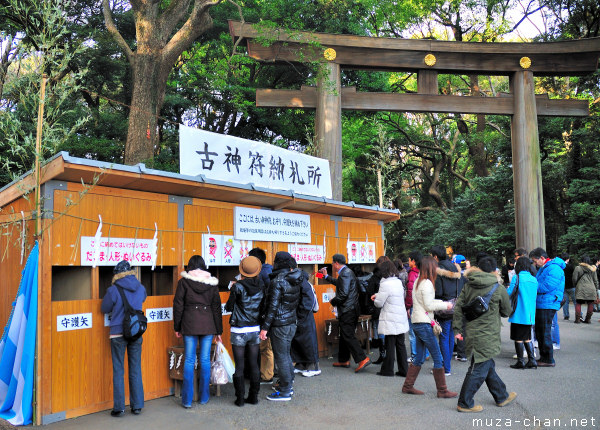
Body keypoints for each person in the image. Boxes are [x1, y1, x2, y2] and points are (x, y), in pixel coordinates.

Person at [453, 256, 516, 413]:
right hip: (488, 333)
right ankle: (465, 402)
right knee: (479, 367)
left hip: (471, 332)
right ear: (495, 270)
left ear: (478, 269)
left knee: (486, 363)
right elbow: (506, 311)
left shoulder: (468, 286)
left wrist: (457, 330)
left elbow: (458, 308)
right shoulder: (498, 288)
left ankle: (501, 396)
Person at [402, 256, 457, 398]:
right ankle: (442, 390)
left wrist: (440, 302)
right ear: (431, 268)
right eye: (435, 266)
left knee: (419, 357)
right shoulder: (427, 283)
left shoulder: (418, 281)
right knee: (438, 357)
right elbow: (429, 305)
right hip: (423, 323)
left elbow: (426, 302)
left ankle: (408, 386)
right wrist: (446, 304)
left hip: (418, 322)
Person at [173, 255, 222, 408]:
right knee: (206, 360)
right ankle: (204, 398)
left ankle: (187, 401)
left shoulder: (183, 282)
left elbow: (178, 305)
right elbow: (216, 308)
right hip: (208, 325)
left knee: (189, 360)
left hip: (189, 325)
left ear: (190, 266)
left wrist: (177, 326)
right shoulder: (212, 283)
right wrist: (218, 330)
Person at [101, 260, 147, 417]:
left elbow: (104, 308)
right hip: (135, 332)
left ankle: (119, 408)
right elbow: (143, 299)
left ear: (116, 274)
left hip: (118, 334)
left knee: (118, 370)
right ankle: (137, 406)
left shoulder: (113, 290)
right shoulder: (140, 288)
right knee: (135, 369)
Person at [259, 252, 302, 402]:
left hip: (280, 325)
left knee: (281, 356)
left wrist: (265, 327)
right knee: (286, 354)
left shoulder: (277, 281)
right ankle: (288, 384)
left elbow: (273, 307)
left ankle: (285, 391)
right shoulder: (295, 278)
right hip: (291, 322)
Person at [320, 254, 371, 373]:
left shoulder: (345, 274)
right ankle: (343, 360)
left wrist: (333, 301)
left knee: (348, 334)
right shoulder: (347, 272)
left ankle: (362, 359)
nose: (332, 265)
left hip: (348, 309)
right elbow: (339, 283)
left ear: (337, 263)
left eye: (333, 263)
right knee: (344, 334)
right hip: (351, 309)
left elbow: (343, 294)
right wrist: (325, 276)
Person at [225, 256, 264, 406]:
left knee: (239, 365)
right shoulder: (261, 286)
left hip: (238, 330)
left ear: (243, 272)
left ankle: (240, 399)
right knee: (254, 364)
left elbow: (229, 307)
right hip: (255, 329)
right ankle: (253, 397)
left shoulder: (237, 287)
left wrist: (233, 289)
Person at [431, 245, 464, 376]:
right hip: (456, 306)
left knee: (444, 337)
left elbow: (438, 292)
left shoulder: (438, 270)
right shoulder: (455, 267)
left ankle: (445, 367)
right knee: (450, 336)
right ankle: (447, 365)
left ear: (435, 257)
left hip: (444, 307)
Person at [372, 260, 409, 377]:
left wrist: (375, 298)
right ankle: (404, 370)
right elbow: (395, 296)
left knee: (390, 344)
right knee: (400, 345)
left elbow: (379, 303)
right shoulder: (397, 282)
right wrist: (378, 295)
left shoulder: (385, 283)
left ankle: (387, 370)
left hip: (390, 317)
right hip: (400, 315)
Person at [529, 248, 565, 367]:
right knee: (540, 331)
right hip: (543, 302)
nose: (535, 263)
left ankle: (548, 359)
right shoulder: (545, 268)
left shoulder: (554, 268)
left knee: (544, 331)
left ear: (542, 258)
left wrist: (532, 287)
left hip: (548, 303)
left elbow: (547, 286)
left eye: (535, 260)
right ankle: (544, 357)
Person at [248, 248, 275, 384]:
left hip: (265, 316)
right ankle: (267, 373)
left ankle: (267, 375)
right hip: (267, 315)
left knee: (266, 347)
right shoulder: (268, 270)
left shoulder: (264, 273)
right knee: (266, 347)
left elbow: (267, 297)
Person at [506, 257, 538, 369]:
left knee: (518, 337)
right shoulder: (534, 279)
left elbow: (509, 292)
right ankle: (532, 360)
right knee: (527, 337)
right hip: (530, 314)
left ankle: (520, 362)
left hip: (519, 313)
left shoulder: (517, 278)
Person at [291, 270, 321, 377]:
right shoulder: (303, 283)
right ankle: (301, 365)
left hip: (305, 317)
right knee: (301, 342)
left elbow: (309, 302)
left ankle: (314, 368)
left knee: (308, 343)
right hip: (302, 317)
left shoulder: (304, 284)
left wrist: (299, 315)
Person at [365, 256, 389, 364]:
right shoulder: (392, 277)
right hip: (391, 308)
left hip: (378, 308)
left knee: (380, 329)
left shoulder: (374, 278)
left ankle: (383, 353)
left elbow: (370, 293)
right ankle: (389, 354)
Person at [572, 255, 599, 324]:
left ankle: (578, 319)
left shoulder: (578, 268)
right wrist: (596, 289)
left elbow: (574, 279)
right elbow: (595, 280)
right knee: (590, 303)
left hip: (581, 287)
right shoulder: (593, 269)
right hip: (591, 288)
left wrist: (576, 285)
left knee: (578, 303)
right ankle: (588, 319)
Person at [561, 253, 575, 320]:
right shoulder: (571, 267)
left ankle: (566, 315)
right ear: (568, 259)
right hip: (571, 285)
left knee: (565, 302)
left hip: (564, 286)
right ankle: (579, 314)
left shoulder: (560, 267)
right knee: (575, 301)